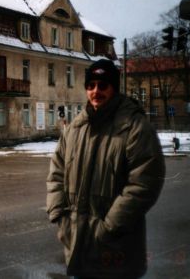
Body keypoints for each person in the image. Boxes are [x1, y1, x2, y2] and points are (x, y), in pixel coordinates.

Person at [46, 59, 165, 278]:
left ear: (114, 88)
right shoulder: (75, 128)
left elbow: (143, 183)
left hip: (116, 246)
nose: (95, 91)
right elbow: (56, 174)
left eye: (103, 85)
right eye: (91, 85)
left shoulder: (134, 127)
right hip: (78, 242)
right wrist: (60, 218)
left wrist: (108, 228)